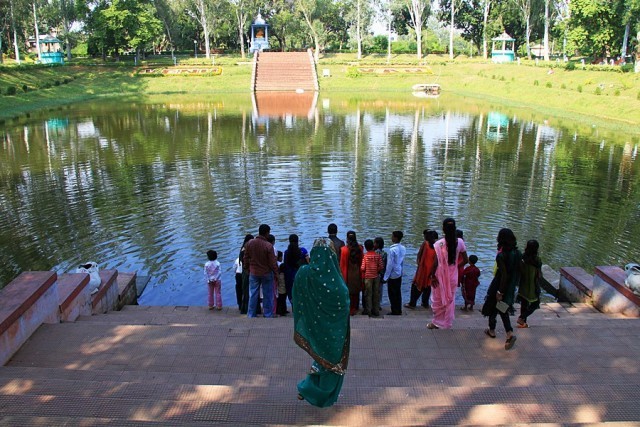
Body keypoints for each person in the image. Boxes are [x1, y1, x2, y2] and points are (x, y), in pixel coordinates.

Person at [293, 238, 350, 407]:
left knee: (320, 357)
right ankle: (320, 394)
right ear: (332, 256)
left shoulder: (305, 273)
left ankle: (308, 388)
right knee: (333, 363)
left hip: (316, 327)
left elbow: (297, 293)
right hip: (336, 331)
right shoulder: (339, 284)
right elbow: (345, 306)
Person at [482, 228, 521, 350]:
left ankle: (495, 330)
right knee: (502, 308)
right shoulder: (517, 253)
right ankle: (505, 332)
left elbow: (503, 275)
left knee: (492, 305)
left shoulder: (502, 256)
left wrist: (500, 291)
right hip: (510, 286)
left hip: (499, 285)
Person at [428, 219, 468, 329]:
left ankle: (436, 323)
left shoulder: (439, 244)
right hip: (453, 277)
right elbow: (465, 260)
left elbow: (435, 262)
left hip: (440, 276)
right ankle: (446, 323)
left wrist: (432, 276)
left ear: (443, 229)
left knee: (438, 300)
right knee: (450, 300)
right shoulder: (460, 242)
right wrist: (455, 266)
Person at [244, 224, 279, 318]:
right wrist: (276, 274)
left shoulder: (250, 243)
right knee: (268, 294)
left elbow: (246, 257)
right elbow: (273, 262)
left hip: (253, 272)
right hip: (266, 273)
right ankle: (268, 314)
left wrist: (246, 268)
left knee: (253, 294)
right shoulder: (268, 246)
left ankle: (251, 314)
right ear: (267, 233)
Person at [405, 230, 438, 310]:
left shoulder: (426, 244)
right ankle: (424, 303)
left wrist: (419, 264)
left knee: (417, 285)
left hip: (425, 269)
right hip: (428, 269)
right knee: (427, 286)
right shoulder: (436, 246)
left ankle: (413, 303)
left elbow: (419, 254)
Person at [517, 240, 542, 328]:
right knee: (535, 304)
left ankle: (523, 323)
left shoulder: (522, 257)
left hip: (523, 284)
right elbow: (539, 275)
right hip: (532, 286)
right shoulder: (537, 260)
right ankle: (522, 317)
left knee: (524, 304)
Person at [340, 231, 363, 316]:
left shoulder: (344, 250)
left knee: (349, 292)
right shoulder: (360, 248)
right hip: (357, 272)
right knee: (356, 292)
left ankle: (350, 308)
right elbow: (361, 261)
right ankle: (355, 307)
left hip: (348, 274)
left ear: (347, 238)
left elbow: (342, 265)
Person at [383, 231, 406, 316]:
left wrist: (386, 277)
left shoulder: (392, 250)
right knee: (398, 292)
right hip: (399, 272)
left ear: (396, 238)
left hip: (393, 274)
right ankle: (398, 309)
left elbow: (390, 265)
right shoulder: (403, 248)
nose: (391, 238)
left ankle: (394, 310)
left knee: (392, 293)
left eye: (392, 236)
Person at [283, 234, 309, 306]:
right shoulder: (303, 251)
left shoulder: (286, 252)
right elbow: (308, 263)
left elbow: (286, 265)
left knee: (292, 293)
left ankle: (294, 309)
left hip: (290, 275)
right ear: (298, 241)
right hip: (301, 274)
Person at [360, 239, 384, 317]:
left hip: (368, 278)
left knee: (368, 294)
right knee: (376, 294)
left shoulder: (365, 256)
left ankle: (368, 310)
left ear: (366, 248)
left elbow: (363, 268)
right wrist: (376, 270)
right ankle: (376, 311)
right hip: (376, 277)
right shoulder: (378, 255)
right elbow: (381, 266)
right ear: (373, 246)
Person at [238, 234, 254, 314]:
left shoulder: (242, 249)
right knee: (251, 291)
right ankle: (251, 309)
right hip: (249, 271)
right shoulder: (247, 249)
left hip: (244, 271)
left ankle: (244, 308)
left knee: (245, 290)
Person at [374, 237, 387, 312]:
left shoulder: (374, 253)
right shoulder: (384, 253)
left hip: (373, 274)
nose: (373, 244)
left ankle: (373, 305)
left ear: (377, 244)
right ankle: (378, 305)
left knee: (373, 290)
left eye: (374, 242)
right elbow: (384, 266)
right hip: (380, 275)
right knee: (379, 291)